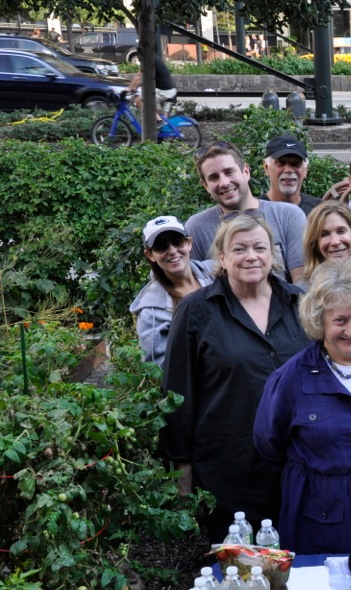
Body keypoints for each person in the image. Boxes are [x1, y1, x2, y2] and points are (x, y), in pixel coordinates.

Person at [159, 213, 308, 541]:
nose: (251, 256)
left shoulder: (300, 304)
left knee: (300, 572)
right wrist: (181, 469)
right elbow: (177, 391)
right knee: (238, 576)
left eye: (260, 247)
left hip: (298, 466)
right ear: (222, 258)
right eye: (239, 249)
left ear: (273, 255)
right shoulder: (198, 310)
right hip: (229, 471)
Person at [254, 259, 351, 554]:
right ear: (320, 321)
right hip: (321, 513)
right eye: (340, 320)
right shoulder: (291, 378)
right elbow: (269, 444)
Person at [186, 141, 306, 283]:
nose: (224, 182)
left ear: (246, 172)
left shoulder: (288, 216)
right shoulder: (196, 228)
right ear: (205, 185)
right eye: (214, 177)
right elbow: (191, 286)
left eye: (229, 172)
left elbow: (302, 282)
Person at [129, 216, 214, 368]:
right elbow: (158, 368)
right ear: (150, 255)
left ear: (189, 243)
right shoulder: (152, 312)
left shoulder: (216, 273)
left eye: (177, 241)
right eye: (161, 246)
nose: (172, 251)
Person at [301, 201, 351, 285]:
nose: (335, 242)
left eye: (341, 231)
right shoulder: (304, 291)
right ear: (316, 244)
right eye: (324, 234)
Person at [259, 135, 320, 215]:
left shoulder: (319, 211)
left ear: (305, 170)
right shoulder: (254, 212)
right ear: (266, 168)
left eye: (295, 164)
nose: (288, 170)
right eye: (281, 163)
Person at [127, 42, 177, 117]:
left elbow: (139, 76)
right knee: (162, 116)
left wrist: (130, 88)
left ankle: (158, 121)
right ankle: (162, 123)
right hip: (169, 90)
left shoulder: (149, 60)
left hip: (164, 91)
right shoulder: (154, 58)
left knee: (139, 101)